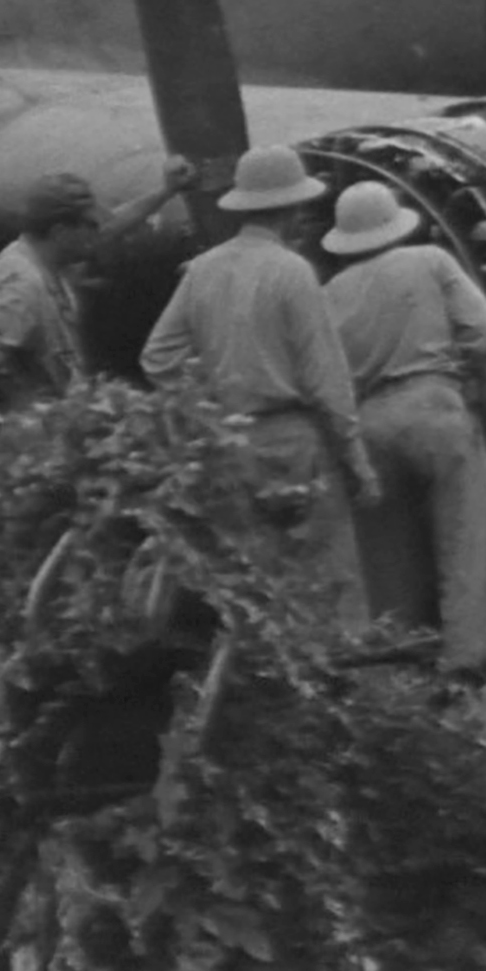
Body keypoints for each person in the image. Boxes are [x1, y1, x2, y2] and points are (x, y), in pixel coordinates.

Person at [139, 144, 380, 627]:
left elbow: (157, 356)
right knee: (328, 579)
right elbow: (325, 379)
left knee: (254, 585)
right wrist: (356, 459)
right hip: (293, 443)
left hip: (227, 444)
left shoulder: (204, 268)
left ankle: (266, 687)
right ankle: (348, 682)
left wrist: (212, 391)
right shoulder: (293, 271)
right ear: (291, 209)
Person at [319, 181, 486, 672]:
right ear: (395, 226)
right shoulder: (430, 261)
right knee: (465, 557)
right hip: (434, 412)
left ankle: (396, 698)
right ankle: (474, 689)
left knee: (387, 574)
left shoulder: (328, 293)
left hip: (367, 431)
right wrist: (483, 394)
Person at [0, 164, 192, 404]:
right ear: (60, 232)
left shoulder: (47, 254)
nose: (97, 234)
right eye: (89, 226)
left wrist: (166, 191)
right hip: (46, 426)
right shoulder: (22, 284)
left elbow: (111, 227)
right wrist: (30, 414)